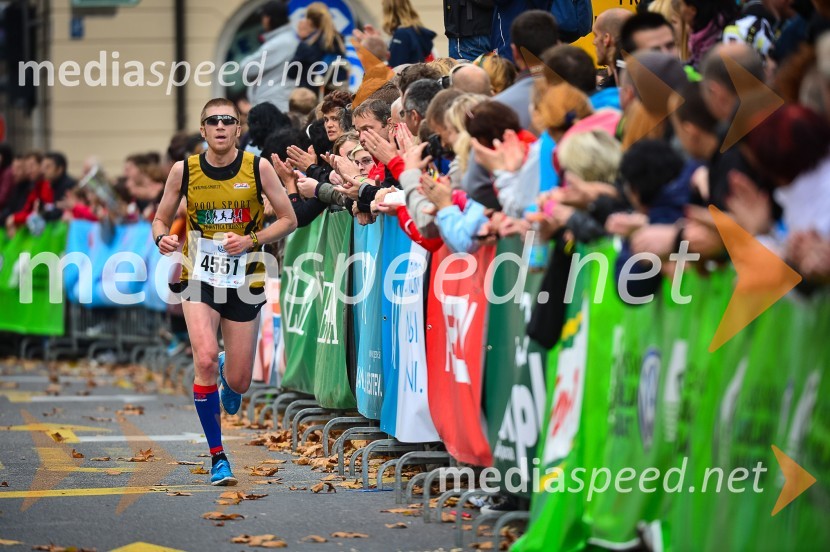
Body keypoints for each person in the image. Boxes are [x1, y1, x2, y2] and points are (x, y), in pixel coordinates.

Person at [152, 98, 297, 486]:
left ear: (238, 129)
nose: (219, 127)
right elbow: (161, 218)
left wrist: (251, 240)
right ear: (203, 130)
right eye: (212, 121)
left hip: (244, 277)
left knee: (240, 382)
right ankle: (218, 456)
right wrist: (162, 238)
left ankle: (226, 373)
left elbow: (288, 219)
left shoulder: (258, 167)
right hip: (198, 273)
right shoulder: (184, 170)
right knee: (201, 357)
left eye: (227, 121)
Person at [239, 0, 299, 112]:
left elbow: (246, 68)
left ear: (268, 19)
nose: (262, 21)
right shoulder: (287, 39)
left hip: (275, 106)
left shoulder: (281, 42)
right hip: (277, 103)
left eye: (263, 17)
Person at [287, 2, 346, 93]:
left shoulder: (307, 46)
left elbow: (291, 73)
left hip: (309, 98)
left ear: (309, 21)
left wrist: (302, 40)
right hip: (332, 98)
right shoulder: (338, 41)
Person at [383, 0, 436, 66]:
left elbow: (395, 67)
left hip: (407, 75)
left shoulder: (402, 34)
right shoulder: (417, 32)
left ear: (388, 11)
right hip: (417, 74)